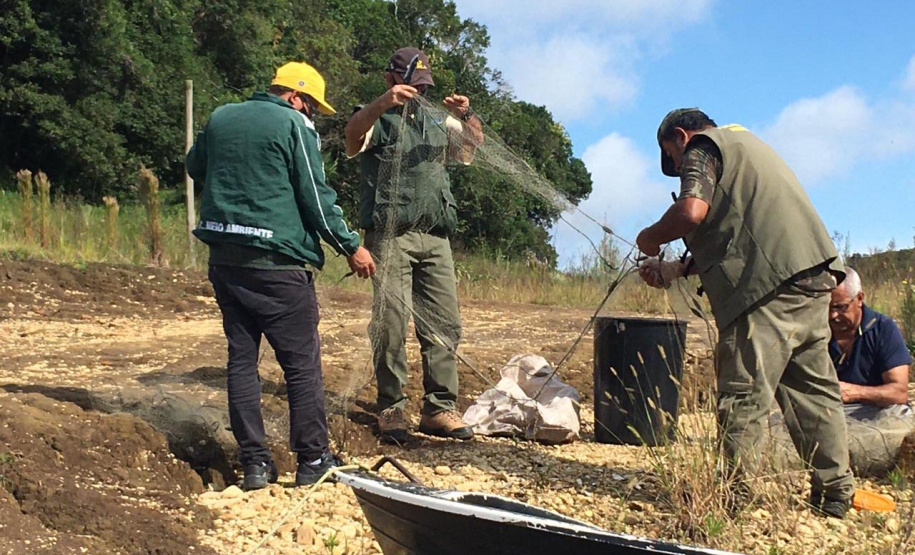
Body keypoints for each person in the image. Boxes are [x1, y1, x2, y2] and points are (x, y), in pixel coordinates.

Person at [636, 108, 855, 518]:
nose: (680, 166)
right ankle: (836, 495)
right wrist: (674, 270)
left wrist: (648, 237)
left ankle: (734, 500)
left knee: (742, 398)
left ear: (680, 137)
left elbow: (692, 211)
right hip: (812, 279)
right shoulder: (748, 146)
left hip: (765, 293)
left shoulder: (704, 147)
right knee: (815, 396)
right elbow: (741, 232)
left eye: (673, 157)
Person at [187, 61, 375, 490]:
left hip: (225, 259)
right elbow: (315, 196)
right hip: (279, 264)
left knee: (241, 359)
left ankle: (255, 464)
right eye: (311, 107)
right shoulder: (295, 126)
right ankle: (313, 459)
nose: (312, 116)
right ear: (296, 97)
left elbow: (196, 166)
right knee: (301, 364)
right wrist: (351, 246)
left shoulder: (221, 116)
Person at [344, 47, 482, 444]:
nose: (417, 91)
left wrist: (466, 114)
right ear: (391, 80)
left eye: (423, 86)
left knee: (443, 324)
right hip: (391, 238)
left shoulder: (439, 123)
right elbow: (353, 133)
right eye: (410, 84)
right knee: (389, 323)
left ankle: (440, 408)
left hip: (436, 239)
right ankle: (392, 407)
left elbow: (474, 145)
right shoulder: (377, 118)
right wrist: (383, 103)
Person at [829, 267, 912, 419]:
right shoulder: (817, 331)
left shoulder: (883, 328)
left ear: (860, 299)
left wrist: (853, 392)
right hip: (828, 411)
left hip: (871, 409)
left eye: (840, 307)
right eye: (827, 308)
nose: (833, 315)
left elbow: (899, 392)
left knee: (901, 413)